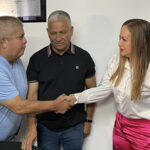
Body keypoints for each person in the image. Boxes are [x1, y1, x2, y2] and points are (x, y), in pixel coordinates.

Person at [65, 18, 150, 150]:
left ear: (141, 43)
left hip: (145, 132)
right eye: (119, 38)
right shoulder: (116, 62)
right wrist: (74, 98)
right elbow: (103, 89)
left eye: (124, 40)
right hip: (120, 126)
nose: (119, 43)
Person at [22, 10, 96, 150]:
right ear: (47, 32)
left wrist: (88, 121)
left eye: (62, 32)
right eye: (53, 33)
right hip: (45, 127)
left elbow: (92, 92)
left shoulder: (84, 57)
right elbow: (31, 96)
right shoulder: (37, 59)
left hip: (75, 126)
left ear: (71, 30)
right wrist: (32, 127)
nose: (58, 38)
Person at [0, 16, 70, 142]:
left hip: (8, 139)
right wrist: (55, 105)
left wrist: (32, 127)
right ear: (4, 42)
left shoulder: (16, 60)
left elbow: (27, 96)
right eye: (20, 37)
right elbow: (19, 106)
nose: (25, 41)